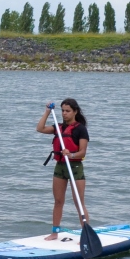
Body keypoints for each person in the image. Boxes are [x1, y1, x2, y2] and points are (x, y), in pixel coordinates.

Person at [36, 99, 89, 241]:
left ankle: (86, 234)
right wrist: (47, 111)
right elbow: (40, 128)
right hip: (60, 167)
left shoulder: (80, 129)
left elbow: (83, 152)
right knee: (58, 201)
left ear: (75, 112)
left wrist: (71, 154)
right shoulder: (59, 128)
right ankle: (55, 233)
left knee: (79, 202)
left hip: (75, 167)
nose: (64, 113)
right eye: (62, 111)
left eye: (67, 111)